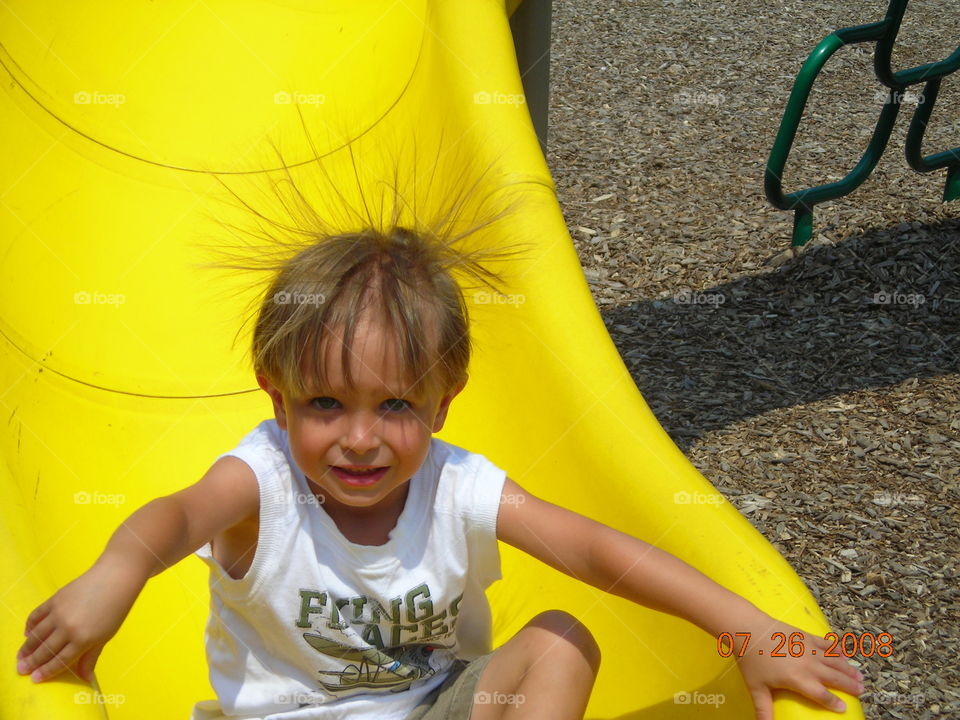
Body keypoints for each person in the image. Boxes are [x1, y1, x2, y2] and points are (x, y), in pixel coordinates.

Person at [16, 222, 865, 720]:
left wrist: (747, 630)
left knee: (563, 637)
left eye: (394, 407)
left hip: (431, 709)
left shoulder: (456, 487)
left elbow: (598, 551)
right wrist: (114, 576)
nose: (359, 439)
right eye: (324, 406)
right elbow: (174, 516)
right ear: (277, 400)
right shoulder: (264, 483)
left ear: (442, 402)